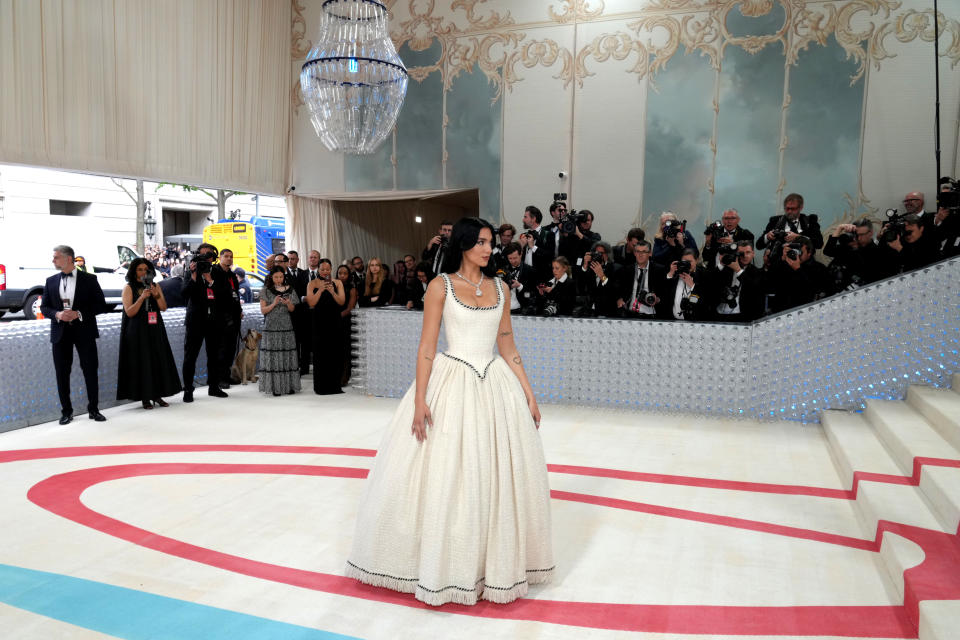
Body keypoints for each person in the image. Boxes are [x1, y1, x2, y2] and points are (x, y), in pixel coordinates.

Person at [346, 216, 553, 606]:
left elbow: (507, 344)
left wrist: (529, 392)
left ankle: (492, 564)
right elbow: (427, 347)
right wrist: (421, 399)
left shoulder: (501, 287)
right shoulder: (440, 287)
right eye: (481, 242)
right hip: (451, 382)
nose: (489, 248)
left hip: (495, 384)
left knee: (495, 474)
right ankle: (447, 564)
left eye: (491, 242)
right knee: (450, 474)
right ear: (462, 244)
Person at [41, 244, 108, 424]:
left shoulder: (90, 279)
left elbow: (101, 305)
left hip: (84, 332)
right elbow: (44, 307)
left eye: (56, 257)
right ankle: (66, 412)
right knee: (62, 374)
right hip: (60, 334)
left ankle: (93, 409)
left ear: (68, 258)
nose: (53, 260)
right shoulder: (50, 281)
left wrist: (78, 314)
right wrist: (57, 314)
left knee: (90, 371)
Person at [116, 258, 182, 409]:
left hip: (154, 328)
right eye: (140, 269)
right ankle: (145, 397)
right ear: (134, 272)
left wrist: (156, 294)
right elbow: (130, 312)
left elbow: (163, 307)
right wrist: (141, 298)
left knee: (157, 359)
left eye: (146, 269)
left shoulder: (155, 285)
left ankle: (157, 394)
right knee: (141, 361)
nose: (143, 272)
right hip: (137, 330)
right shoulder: (128, 287)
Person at [181, 242, 229, 402]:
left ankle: (214, 386)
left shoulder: (217, 272)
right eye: (203, 255)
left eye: (209, 255)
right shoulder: (191, 271)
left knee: (215, 355)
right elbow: (185, 293)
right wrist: (194, 276)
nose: (206, 258)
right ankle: (188, 389)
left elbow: (225, 295)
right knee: (190, 356)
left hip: (214, 320)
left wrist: (211, 281)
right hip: (195, 320)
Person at [258, 266, 301, 396]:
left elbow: (292, 309)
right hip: (271, 327)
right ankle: (276, 387)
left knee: (287, 355)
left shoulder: (290, 289)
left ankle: (289, 386)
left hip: (286, 325)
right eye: (276, 277)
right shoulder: (265, 290)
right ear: (271, 277)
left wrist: (288, 303)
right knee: (274, 356)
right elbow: (263, 310)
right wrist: (274, 303)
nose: (278, 279)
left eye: (281, 277)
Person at [306, 259, 347, 394]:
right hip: (319, 322)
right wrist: (320, 290)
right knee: (320, 353)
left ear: (331, 269)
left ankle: (335, 386)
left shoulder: (338, 282)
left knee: (335, 352)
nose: (325, 272)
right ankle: (321, 387)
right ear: (318, 269)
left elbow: (341, 302)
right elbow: (311, 303)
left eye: (327, 269)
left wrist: (332, 292)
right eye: (322, 269)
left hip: (334, 321)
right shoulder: (312, 283)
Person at [615, 240, 666, 318]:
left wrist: (657, 299)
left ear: (650, 253)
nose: (640, 255)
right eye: (638, 251)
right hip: (629, 313)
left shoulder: (659, 270)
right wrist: (619, 299)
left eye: (644, 252)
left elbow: (666, 293)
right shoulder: (626, 270)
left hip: (651, 315)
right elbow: (617, 289)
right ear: (634, 253)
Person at [756, 193, 823, 251]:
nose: (789, 211)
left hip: (803, 263)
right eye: (787, 208)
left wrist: (799, 237)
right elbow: (758, 246)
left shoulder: (810, 221)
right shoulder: (775, 221)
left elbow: (819, 244)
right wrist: (767, 237)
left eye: (793, 209)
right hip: (779, 261)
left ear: (801, 208)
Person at [215, 248, 243, 389]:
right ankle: (219, 379)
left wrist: (239, 310)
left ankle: (227, 375)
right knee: (222, 349)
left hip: (234, 317)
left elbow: (236, 295)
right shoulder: (215, 273)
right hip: (220, 318)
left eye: (231, 257)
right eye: (226, 256)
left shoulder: (232, 276)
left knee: (231, 348)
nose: (229, 259)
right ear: (220, 258)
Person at [336, 264, 359, 385]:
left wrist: (337, 316)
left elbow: (350, 307)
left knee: (346, 350)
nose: (342, 275)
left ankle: (345, 377)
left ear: (349, 275)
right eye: (340, 273)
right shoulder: (333, 286)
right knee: (336, 350)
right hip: (334, 321)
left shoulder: (352, 288)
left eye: (345, 273)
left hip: (345, 321)